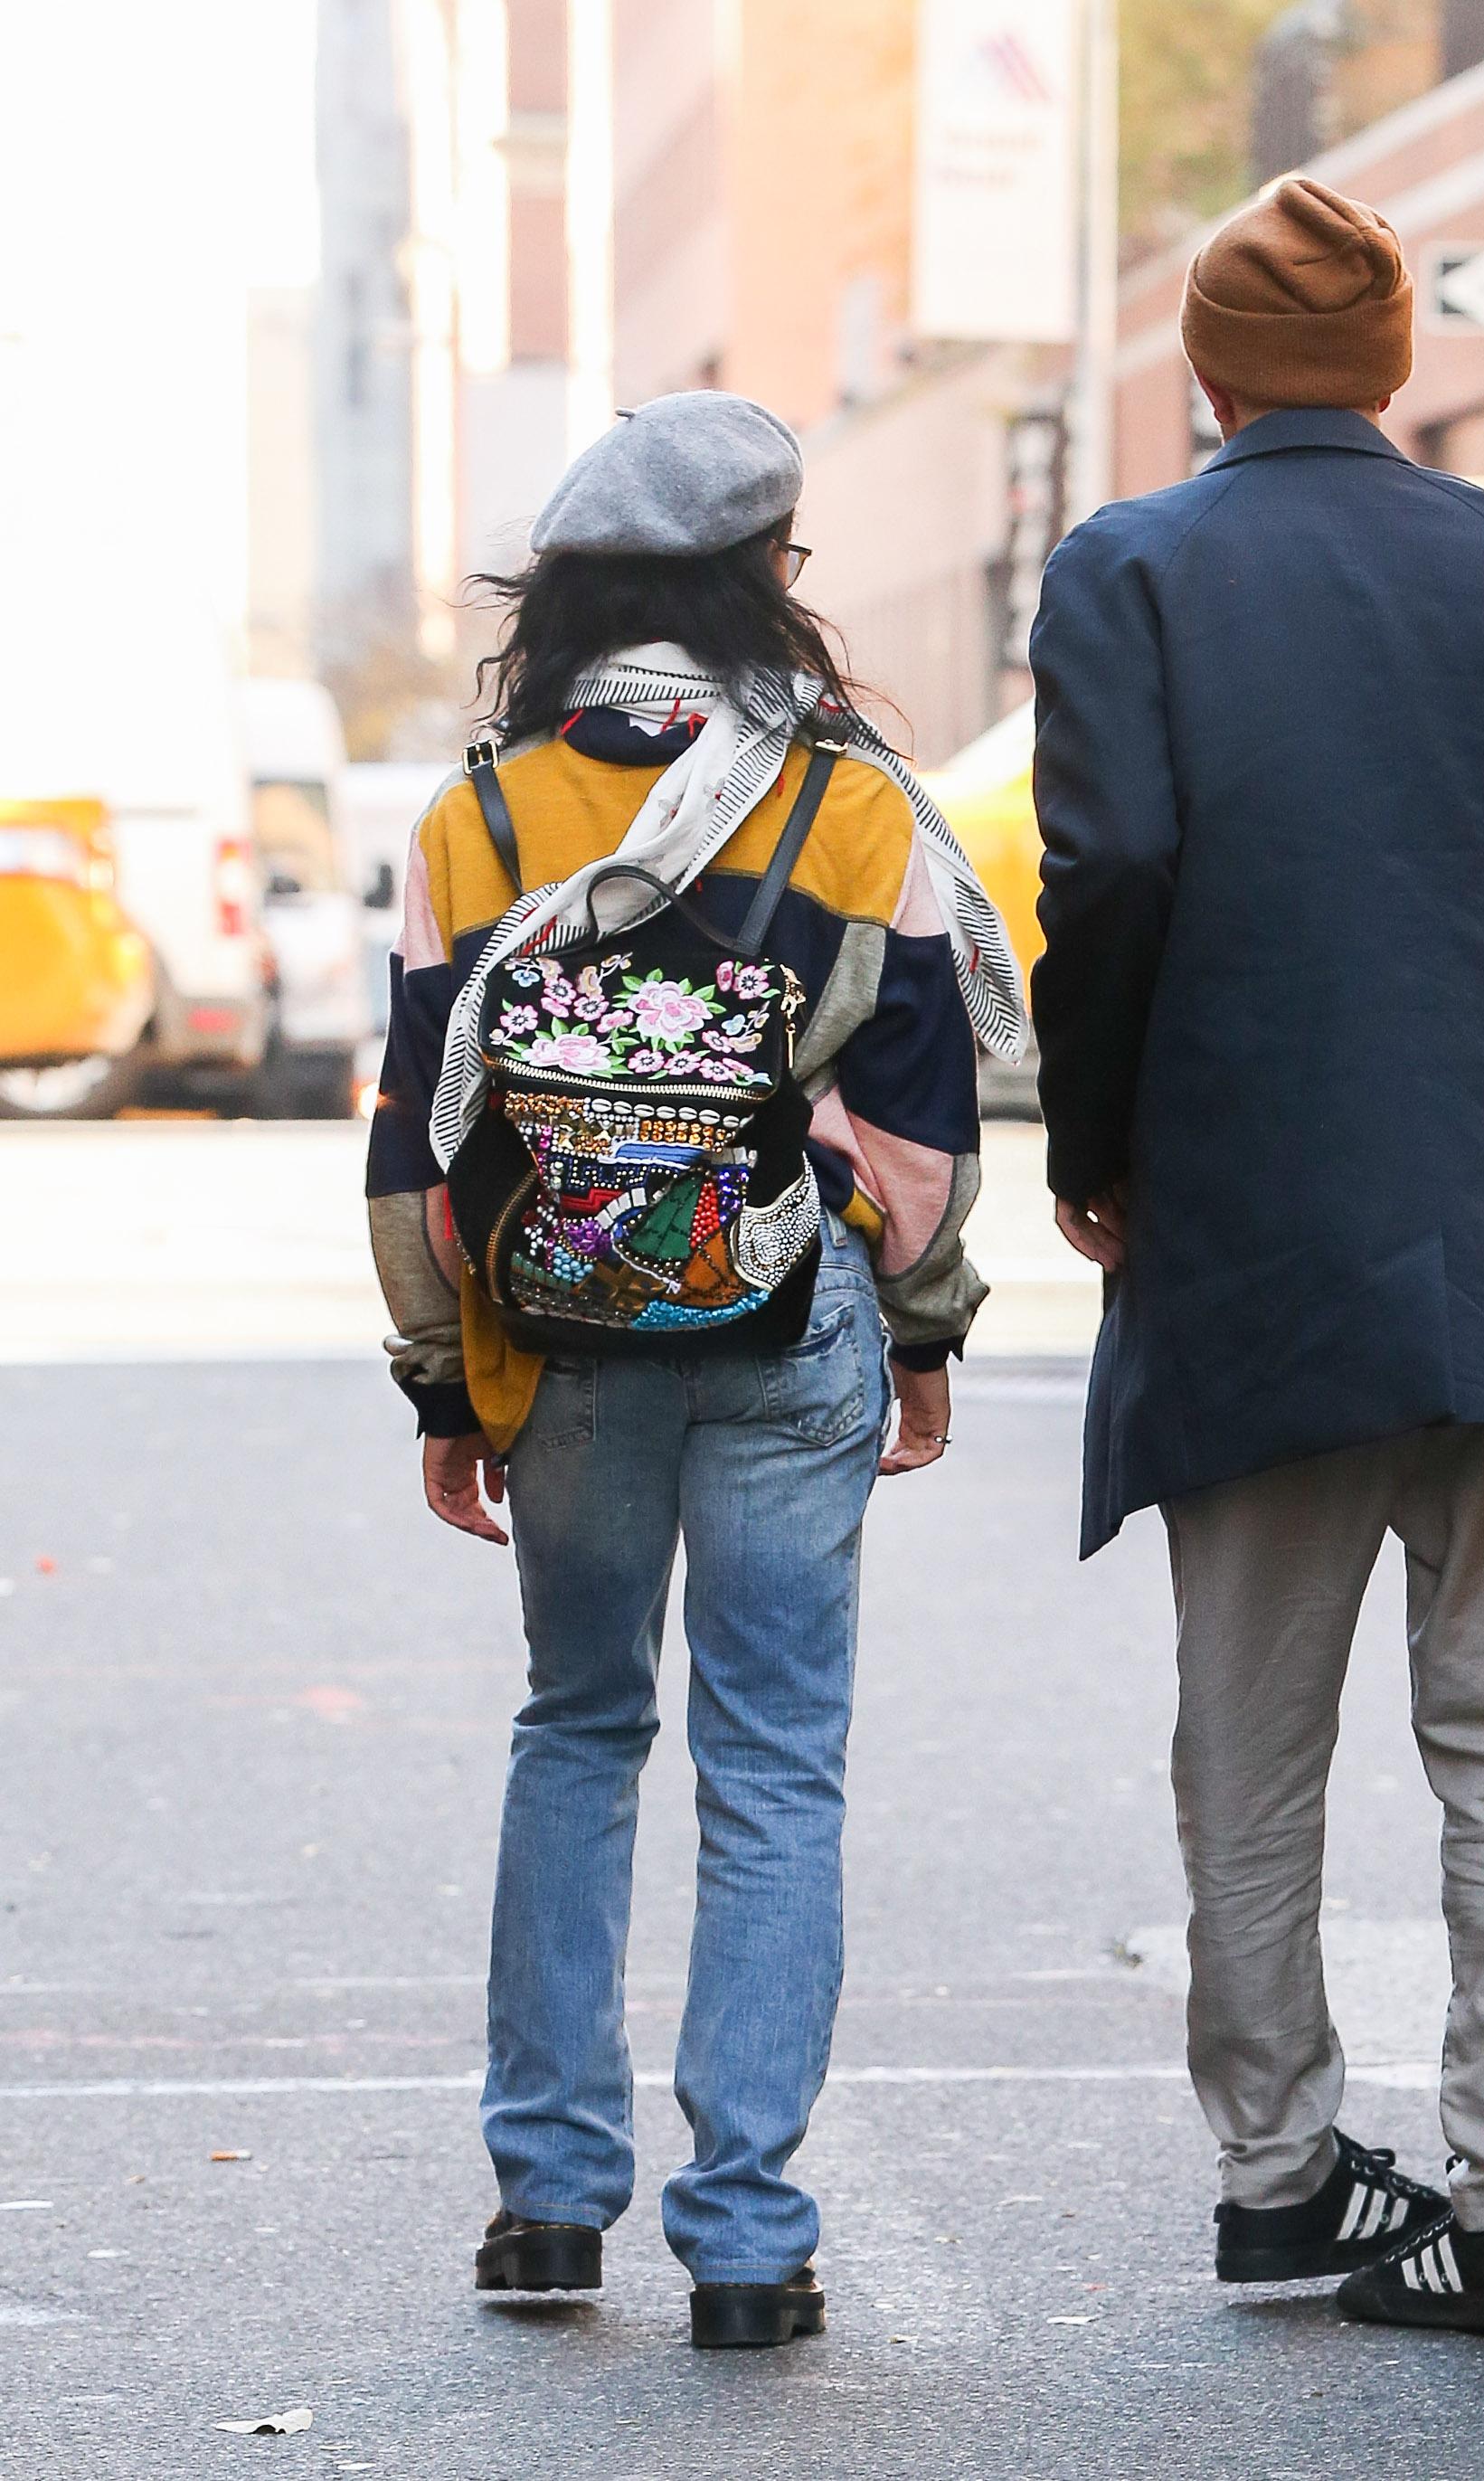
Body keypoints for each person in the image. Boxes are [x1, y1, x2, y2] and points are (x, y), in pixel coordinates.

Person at [1029, 178, 1484, 2337]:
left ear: (1200, 372)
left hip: (1241, 1231)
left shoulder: (1124, 568)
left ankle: (1272, 2168)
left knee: (1250, 1729)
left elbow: (1111, 863)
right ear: (1398, 365)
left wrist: (1097, 1141)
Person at [365, 392, 1018, 2349]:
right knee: (774, 1762)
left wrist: (435, 1379)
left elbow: (414, 1137)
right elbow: (921, 1134)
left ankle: (548, 2207)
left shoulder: (474, 820)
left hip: (554, 1338)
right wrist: (919, 1332)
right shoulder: (850, 805)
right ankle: (748, 2238)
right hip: (783, 1316)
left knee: (577, 1727)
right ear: (766, 582)